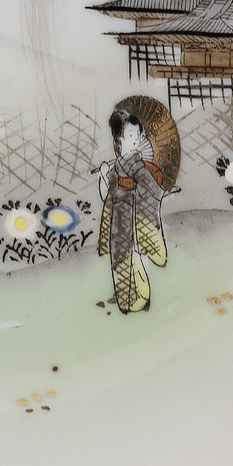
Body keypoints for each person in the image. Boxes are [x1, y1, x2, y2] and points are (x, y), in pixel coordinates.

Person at [97, 107, 169, 313]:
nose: (135, 140)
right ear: (118, 139)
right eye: (130, 136)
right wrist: (103, 177)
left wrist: (156, 193)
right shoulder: (115, 169)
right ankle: (130, 299)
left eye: (137, 135)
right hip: (119, 218)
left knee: (135, 255)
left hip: (135, 215)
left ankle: (141, 296)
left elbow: (151, 189)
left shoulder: (139, 167)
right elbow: (107, 196)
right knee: (122, 257)